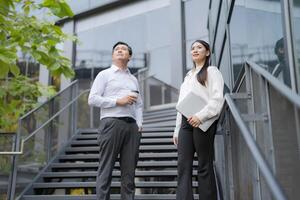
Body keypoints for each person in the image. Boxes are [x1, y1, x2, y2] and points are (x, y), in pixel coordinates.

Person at [88, 41, 143, 200]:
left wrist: (139, 124)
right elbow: (92, 99)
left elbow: (139, 104)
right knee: (106, 169)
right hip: (111, 123)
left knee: (129, 173)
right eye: (117, 49)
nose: (120, 51)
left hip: (132, 127)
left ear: (129, 56)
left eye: (124, 49)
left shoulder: (134, 79)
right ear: (113, 56)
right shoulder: (104, 75)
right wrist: (117, 101)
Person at [173, 40, 224, 200]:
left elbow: (217, 99)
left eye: (199, 47)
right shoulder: (188, 76)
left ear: (207, 52)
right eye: (192, 48)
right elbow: (181, 105)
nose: (195, 50)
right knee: (183, 166)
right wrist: (177, 129)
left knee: (204, 165)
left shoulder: (212, 71)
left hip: (203, 122)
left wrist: (200, 116)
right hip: (185, 123)